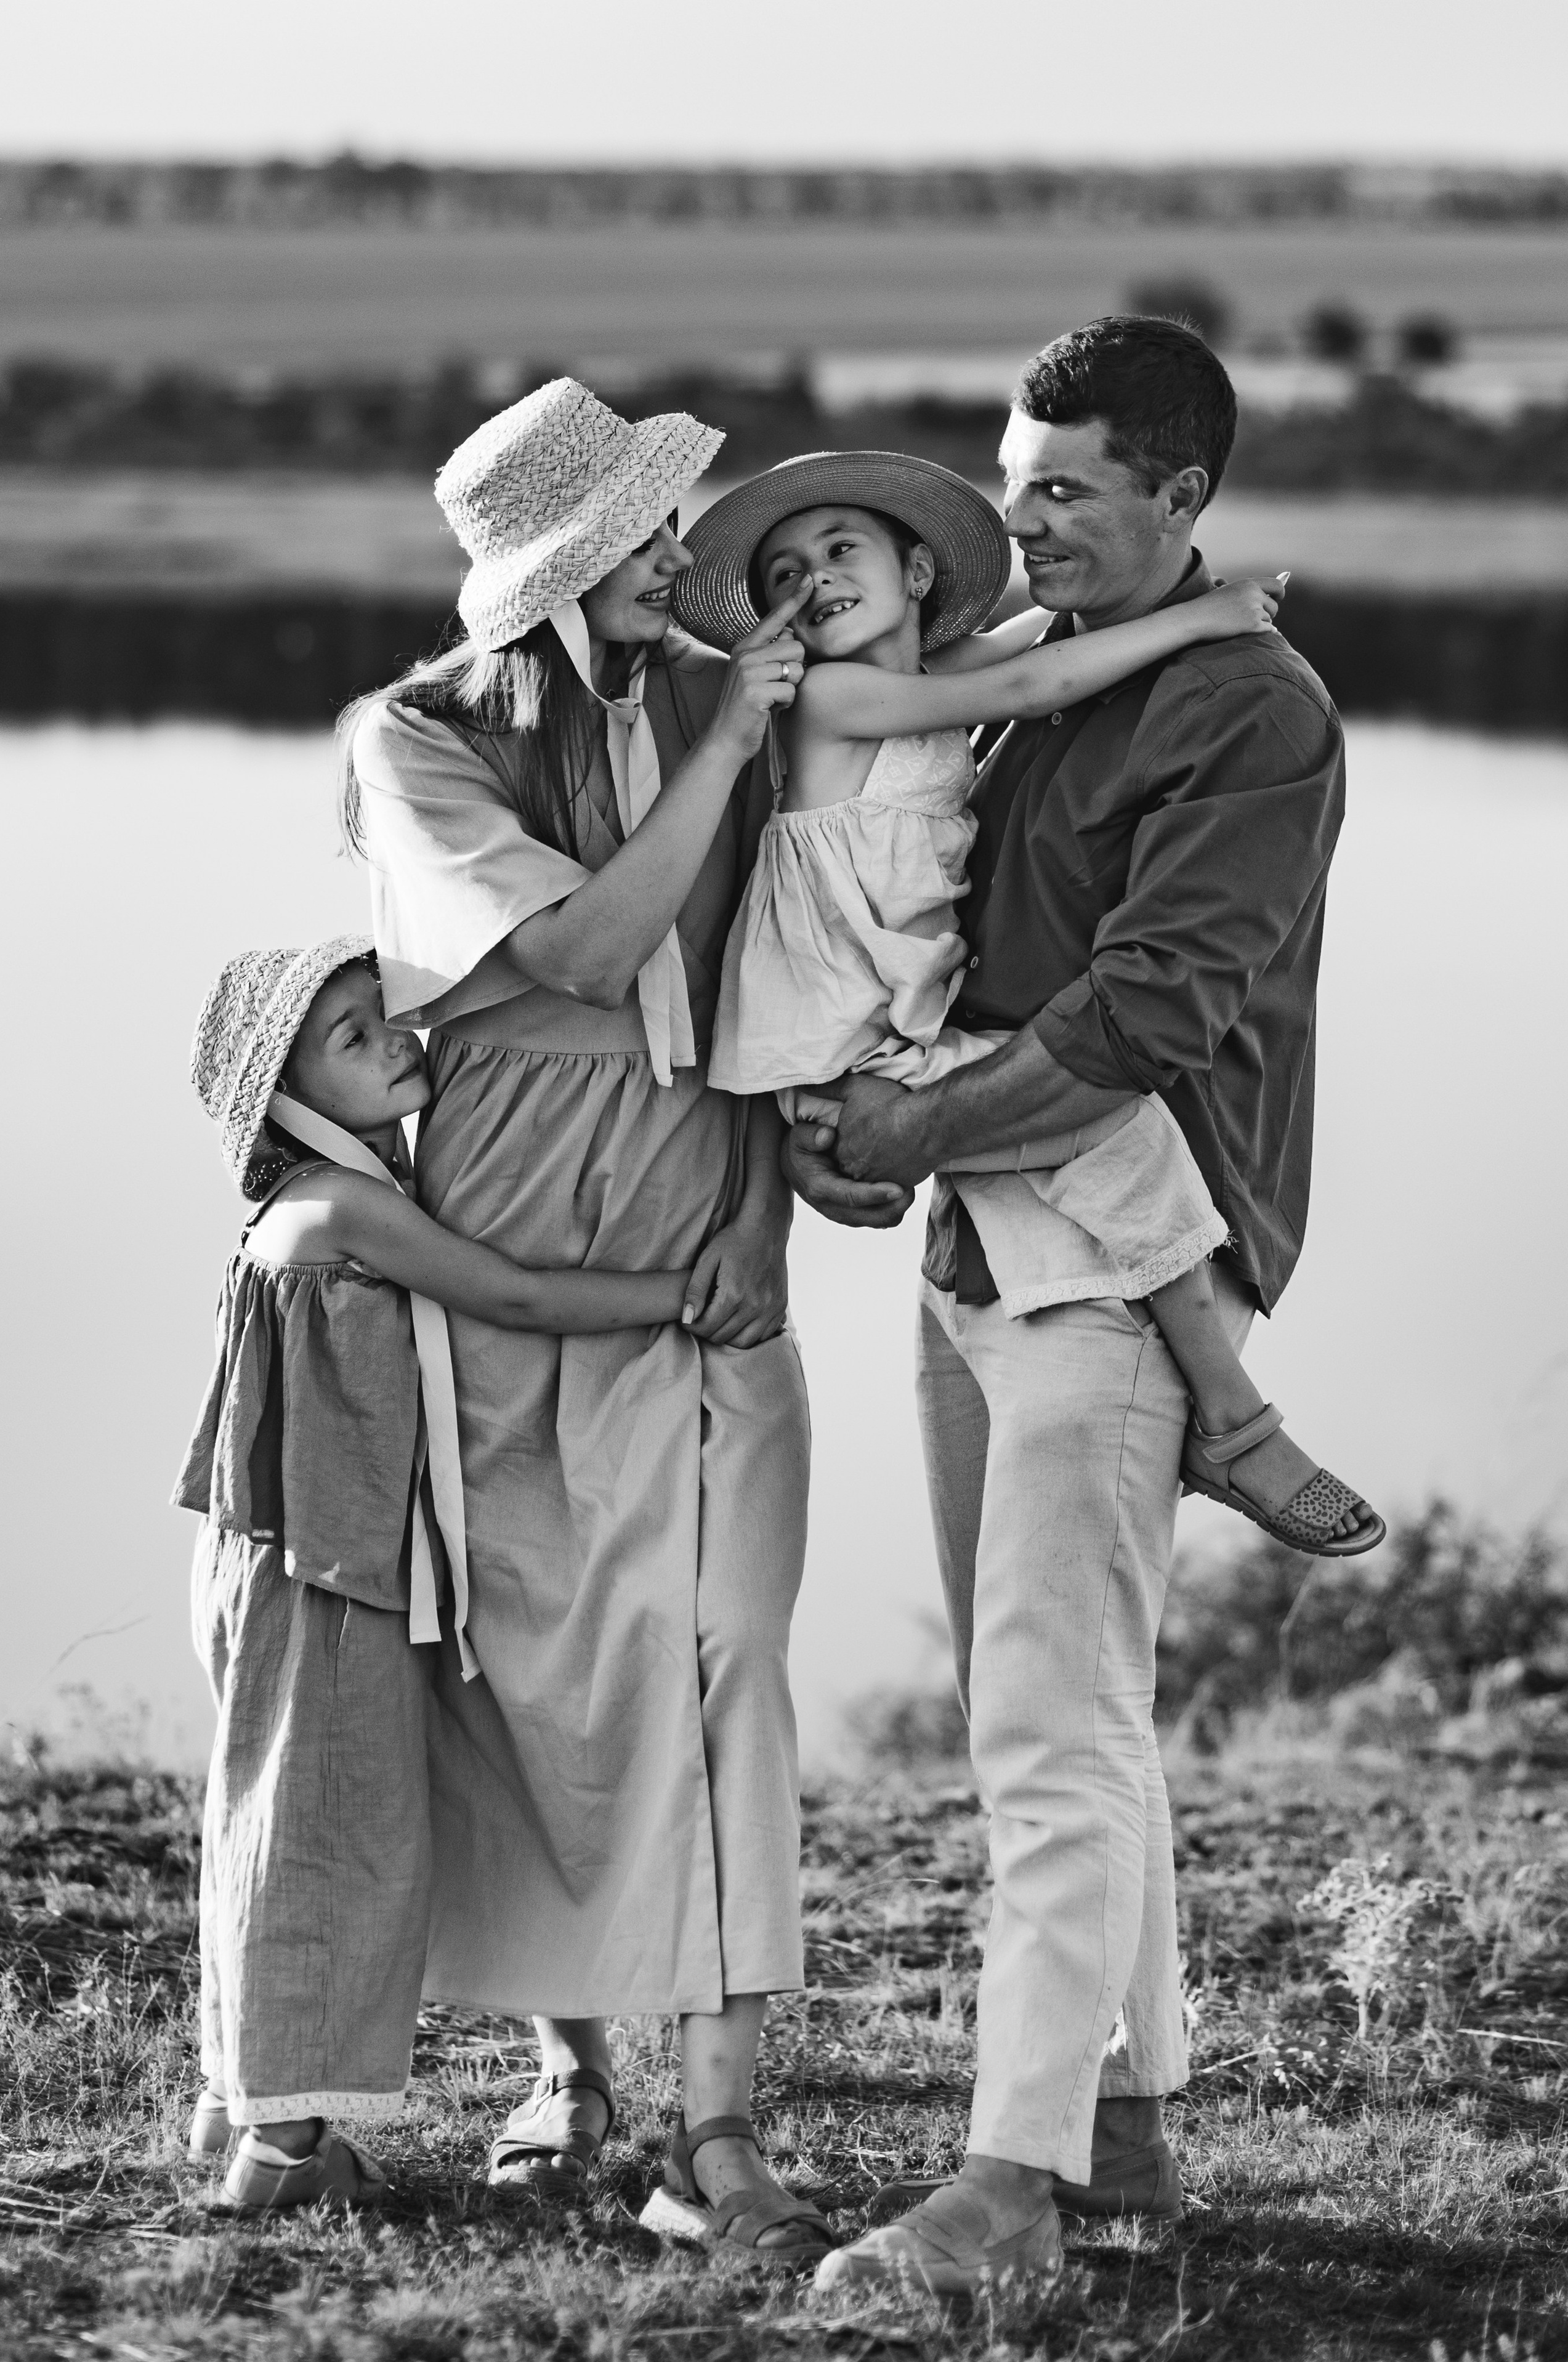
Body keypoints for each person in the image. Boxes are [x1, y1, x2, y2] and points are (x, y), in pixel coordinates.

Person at [775, 317, 1361, 2296]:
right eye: (1015, 483)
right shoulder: (1029, 667)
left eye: (1070, 491)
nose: (1024, 523)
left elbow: (1141, 1016)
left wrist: (910, 1118)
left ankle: (1007, 2184)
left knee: (1054, 1728)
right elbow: (914, 929)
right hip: (977, 1250)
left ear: (1183, 494)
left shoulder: (1253, 712)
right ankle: (1123, 2130)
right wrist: (850, 1129)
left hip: (1124, 1275)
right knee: (1056, 1708)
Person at [341, 377, 832, 2263]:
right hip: (501, 1256)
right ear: (554, 577)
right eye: (642, 535)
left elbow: (767, 979)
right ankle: (572, 2073)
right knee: (535, 1680)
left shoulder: (714, 694)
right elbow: (583, 950)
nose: (678, 557)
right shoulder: (413, 739)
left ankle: (721, 2128)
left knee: (730, 1660)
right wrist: (731, 741)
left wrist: (768, 1215)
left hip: (705, 1256)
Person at [676, 455, 1380, 1555]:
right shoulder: (832, 695)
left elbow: (1041, 647)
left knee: (1113, 1144)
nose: (813, 579)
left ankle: (1225, 1417)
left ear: (917, 574)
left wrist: (1182, 620)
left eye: (839, 550)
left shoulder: (934, 669)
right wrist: (1205, 620)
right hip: (850, 1029)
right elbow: (1032, 687)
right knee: (1126, 1138)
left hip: (889, 1014)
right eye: (785, 573)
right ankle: (1235, 1421)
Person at [176, 939, 693, 2214]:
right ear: (289, 1103)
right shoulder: (343, 1210)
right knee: (323, 1831)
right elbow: (513, 1293)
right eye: (352, 1039)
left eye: (382, 1015)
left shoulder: (310, 1205)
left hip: (275, 1556)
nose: (397, 1040)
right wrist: (687, 1287)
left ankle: (239, 2103)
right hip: (324, 1568)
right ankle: (285, 2149)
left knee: (268, 1812)